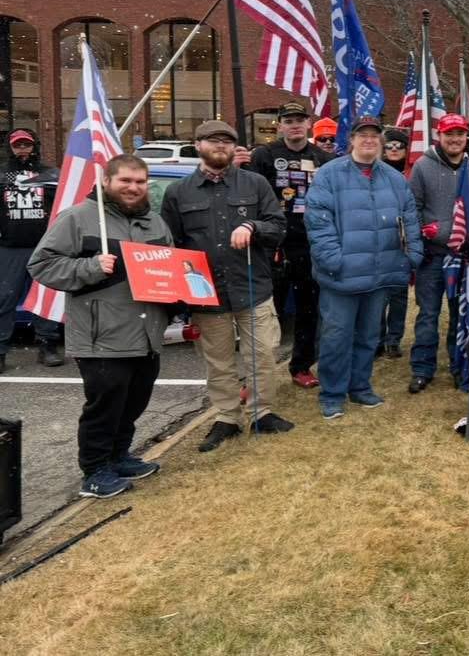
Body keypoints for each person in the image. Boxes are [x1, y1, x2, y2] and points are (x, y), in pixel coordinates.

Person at [28, 155, 172, 499]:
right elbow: (41, 265)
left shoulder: (155, 222)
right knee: (104, 406)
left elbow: (169, 267)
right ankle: (94, 471)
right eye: (125, 181)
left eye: (140, 182)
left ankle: (119, 456)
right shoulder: (77, 218)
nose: (133, 188)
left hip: (146, 333)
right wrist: (91, 267)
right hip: (100, 334)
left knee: (134, 401)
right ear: (106, 181)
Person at [161, 120, 292, 453]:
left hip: (252, 287)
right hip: (206, 293)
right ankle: (227, 418)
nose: (220, 145)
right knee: (218, 362)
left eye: (227, 140)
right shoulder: (178, 192)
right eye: (212, 140)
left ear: (235, 147)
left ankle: (262, 413)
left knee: (262, 355)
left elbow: (278, 227)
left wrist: (252, 226)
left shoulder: (255, 183)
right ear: (198, 145)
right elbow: (172, 244)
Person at [305, 115, 423, 419]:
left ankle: (359, 386)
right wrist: (334, 260)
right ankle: (332, 394)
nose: (369, 140)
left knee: (369, 336)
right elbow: (318, 222)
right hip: (341, 275)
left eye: (374, 135)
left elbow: (410, 218)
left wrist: (412, 255)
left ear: (380, 141)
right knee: (336, 337)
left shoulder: (394, 179)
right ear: (352, 140)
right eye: (362, 135)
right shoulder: (329, 175)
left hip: (379, 274)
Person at [408, 113, 469, 392]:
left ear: (465, 135)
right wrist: (423, 235)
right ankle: (422, 368)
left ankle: (459, 365)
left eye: (459, 134)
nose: (455, 139)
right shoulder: (423, 166)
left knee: (461, 314)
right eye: (449, 134)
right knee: (428, 314)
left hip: (466, 256)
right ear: (440, 136)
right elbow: (412, 206)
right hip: (433, 255)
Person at [247, 101, 332, 389]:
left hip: (310, 245)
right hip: (273, 246)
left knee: (308, 311)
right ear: (280, 125)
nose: (294, 125)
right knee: (269, 313)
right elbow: (250, 195)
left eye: (299, 120)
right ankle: (257, 374)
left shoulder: (323, 158)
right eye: (288, 120)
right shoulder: (264, 155)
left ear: (308, 124)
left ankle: (301, 366)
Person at [0, 128, 62, 369]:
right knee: (4, 299)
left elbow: (64, 205)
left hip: (44, 247)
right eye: (17, 145)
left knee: (46, 296)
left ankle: (48, 346)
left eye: (26, 144)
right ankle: (1, 350)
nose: (22, 149)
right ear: (10, 147)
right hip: (9, 248)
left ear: (34, 146)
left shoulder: (51, 174)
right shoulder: (1, 174)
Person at [378, 126, 411, 358]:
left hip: (402, 241)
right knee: (378, 294)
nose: (393, 149)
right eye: (389, 145)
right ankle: (377, 338)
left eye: (399, 145)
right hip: (379, 240)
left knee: (399, 295)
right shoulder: (375, 172)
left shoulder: (412, 173)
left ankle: (394, 339)